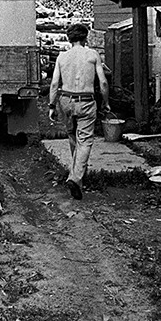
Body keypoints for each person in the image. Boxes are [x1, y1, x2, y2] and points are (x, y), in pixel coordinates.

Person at [48, 23, 110, 200]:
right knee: (85, 141)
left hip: (66, 100)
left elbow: (54, 84)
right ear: (85, 38)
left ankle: (77, 179)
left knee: (72, 137)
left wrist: (52, 106)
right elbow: (103, 83)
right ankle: (75, 178)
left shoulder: (61, 57)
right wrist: (105, 103)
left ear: (69, 38)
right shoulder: (92, 55)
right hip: (86, 101)